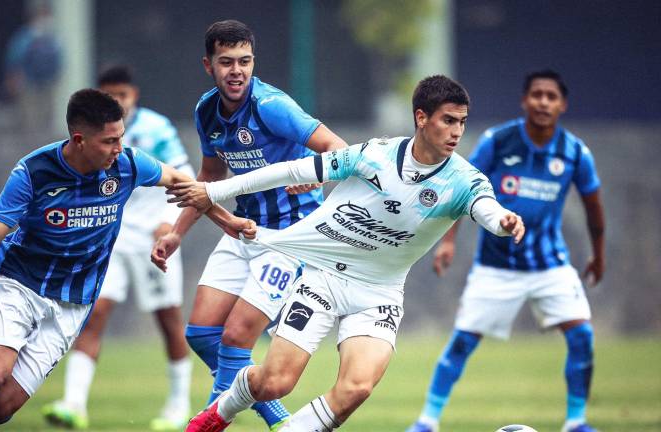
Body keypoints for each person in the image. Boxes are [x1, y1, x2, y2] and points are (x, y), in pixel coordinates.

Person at [162, 75, 526, 432]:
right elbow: (289, 170)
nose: (457, 131)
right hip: (322, 278)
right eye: (448, 120)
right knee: (274, 383)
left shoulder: (466, 180)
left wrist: (504, 221)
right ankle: (218, 413)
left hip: (378, 294)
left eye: (462, 122)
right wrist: (214, 192)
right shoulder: (374, 155)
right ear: (421, 117)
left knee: (357, 388)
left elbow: (486, 209)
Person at [0, 88, 254, 432]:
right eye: (109, 141)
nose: (118, 149)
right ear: (79, 139)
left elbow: (185, 183)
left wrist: (227, 221)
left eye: (121, 138)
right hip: (19, 286)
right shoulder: (33, 172)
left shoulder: (127, 164)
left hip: (72, 305)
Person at [153, 19, 348, 431]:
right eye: (226, 62)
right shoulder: (206, 110)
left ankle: (204, 423)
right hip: (241, 229)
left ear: (253, 61)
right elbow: (209, 179)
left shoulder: (272, 106)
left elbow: (339, 149)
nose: (236, 70)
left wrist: (321, 173)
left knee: (236, 337)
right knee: (202, 333)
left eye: (244, 61)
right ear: (209, 65)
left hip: (288, 237)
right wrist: (175, 231)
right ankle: (279, 422)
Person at [404, 70, 605, 432]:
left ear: (562, 105)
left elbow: (593, 207)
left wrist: (598, 254)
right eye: (537, 95)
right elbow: (461, 186)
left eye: (551, 96)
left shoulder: (575, 152)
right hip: (496, 266)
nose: (543, 102)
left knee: (582, 336)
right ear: (525, 101)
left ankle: (576, 421)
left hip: (550, 265)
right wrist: (448, 242)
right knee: (462, 341)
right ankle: (427, 421)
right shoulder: (498, 141)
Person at [41, 66, 195, 430]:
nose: (117, 102)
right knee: (93, 314)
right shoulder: (91, 135)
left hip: (153, 238)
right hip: (109, 236)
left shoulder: (156, 129)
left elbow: (184, 177)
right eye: (110, 96)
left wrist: (168, 222)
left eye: (122, 95)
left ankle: (178, 406)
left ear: (134, 95)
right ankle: (73, 403)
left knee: (169, 321)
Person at [4, 3, 62, 132]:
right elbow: (14, 58)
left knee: (43, 115)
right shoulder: (27, 37)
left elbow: (13, 57)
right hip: (30, 81)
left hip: (45, 82)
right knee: (31, 117)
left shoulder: (49, 37)